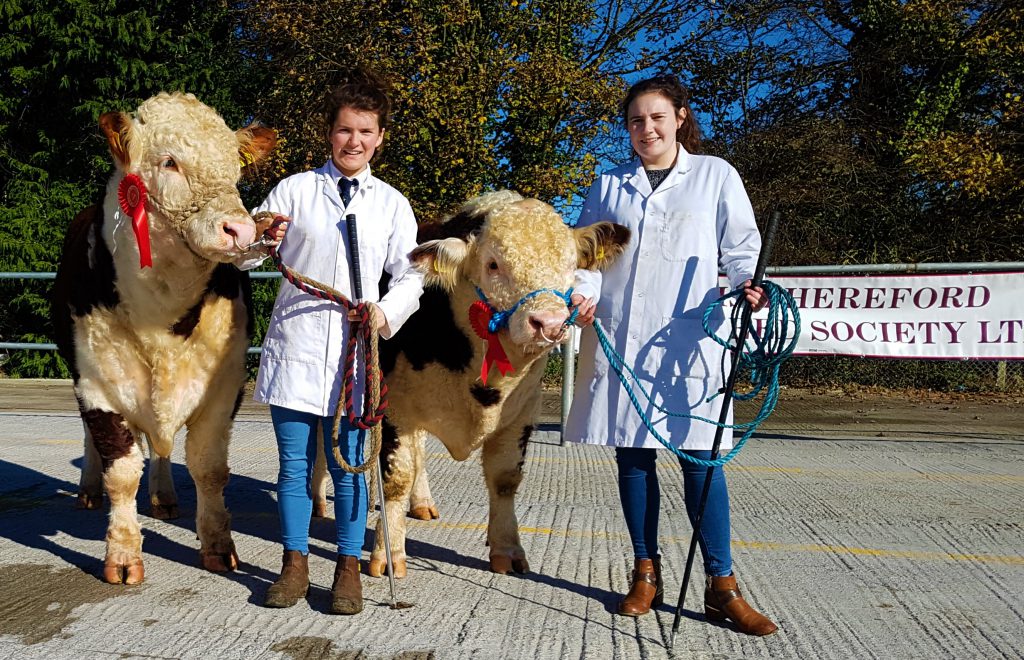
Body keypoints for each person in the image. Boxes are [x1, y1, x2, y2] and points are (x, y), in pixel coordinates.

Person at [564, 74, 777, 635]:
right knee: (633, 457)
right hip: (624, 337)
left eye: (657, 117)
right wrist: (582, 293)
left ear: (680, 117)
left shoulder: (714, 175)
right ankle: (645, 573)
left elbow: (741, 247)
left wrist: (747, 283)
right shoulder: (609, 184)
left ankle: (722, 585)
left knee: (701, 459)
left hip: (691, 339)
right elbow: (589, 255)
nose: (647, 129)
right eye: (636, 120)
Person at [242, 67, 423, 614]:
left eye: (366, 131)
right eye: (345, 129)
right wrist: (261, 238)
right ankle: (293, 563)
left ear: (380, 138)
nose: (354, 141)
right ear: (330, 132)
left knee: (349, 466)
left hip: (356, 351)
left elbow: (412, 275)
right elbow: (247, 254)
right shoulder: (294, 190)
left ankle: (347, 568)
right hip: (297, 346)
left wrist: (384, 311)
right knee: (294, 466)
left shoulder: (391, 203)